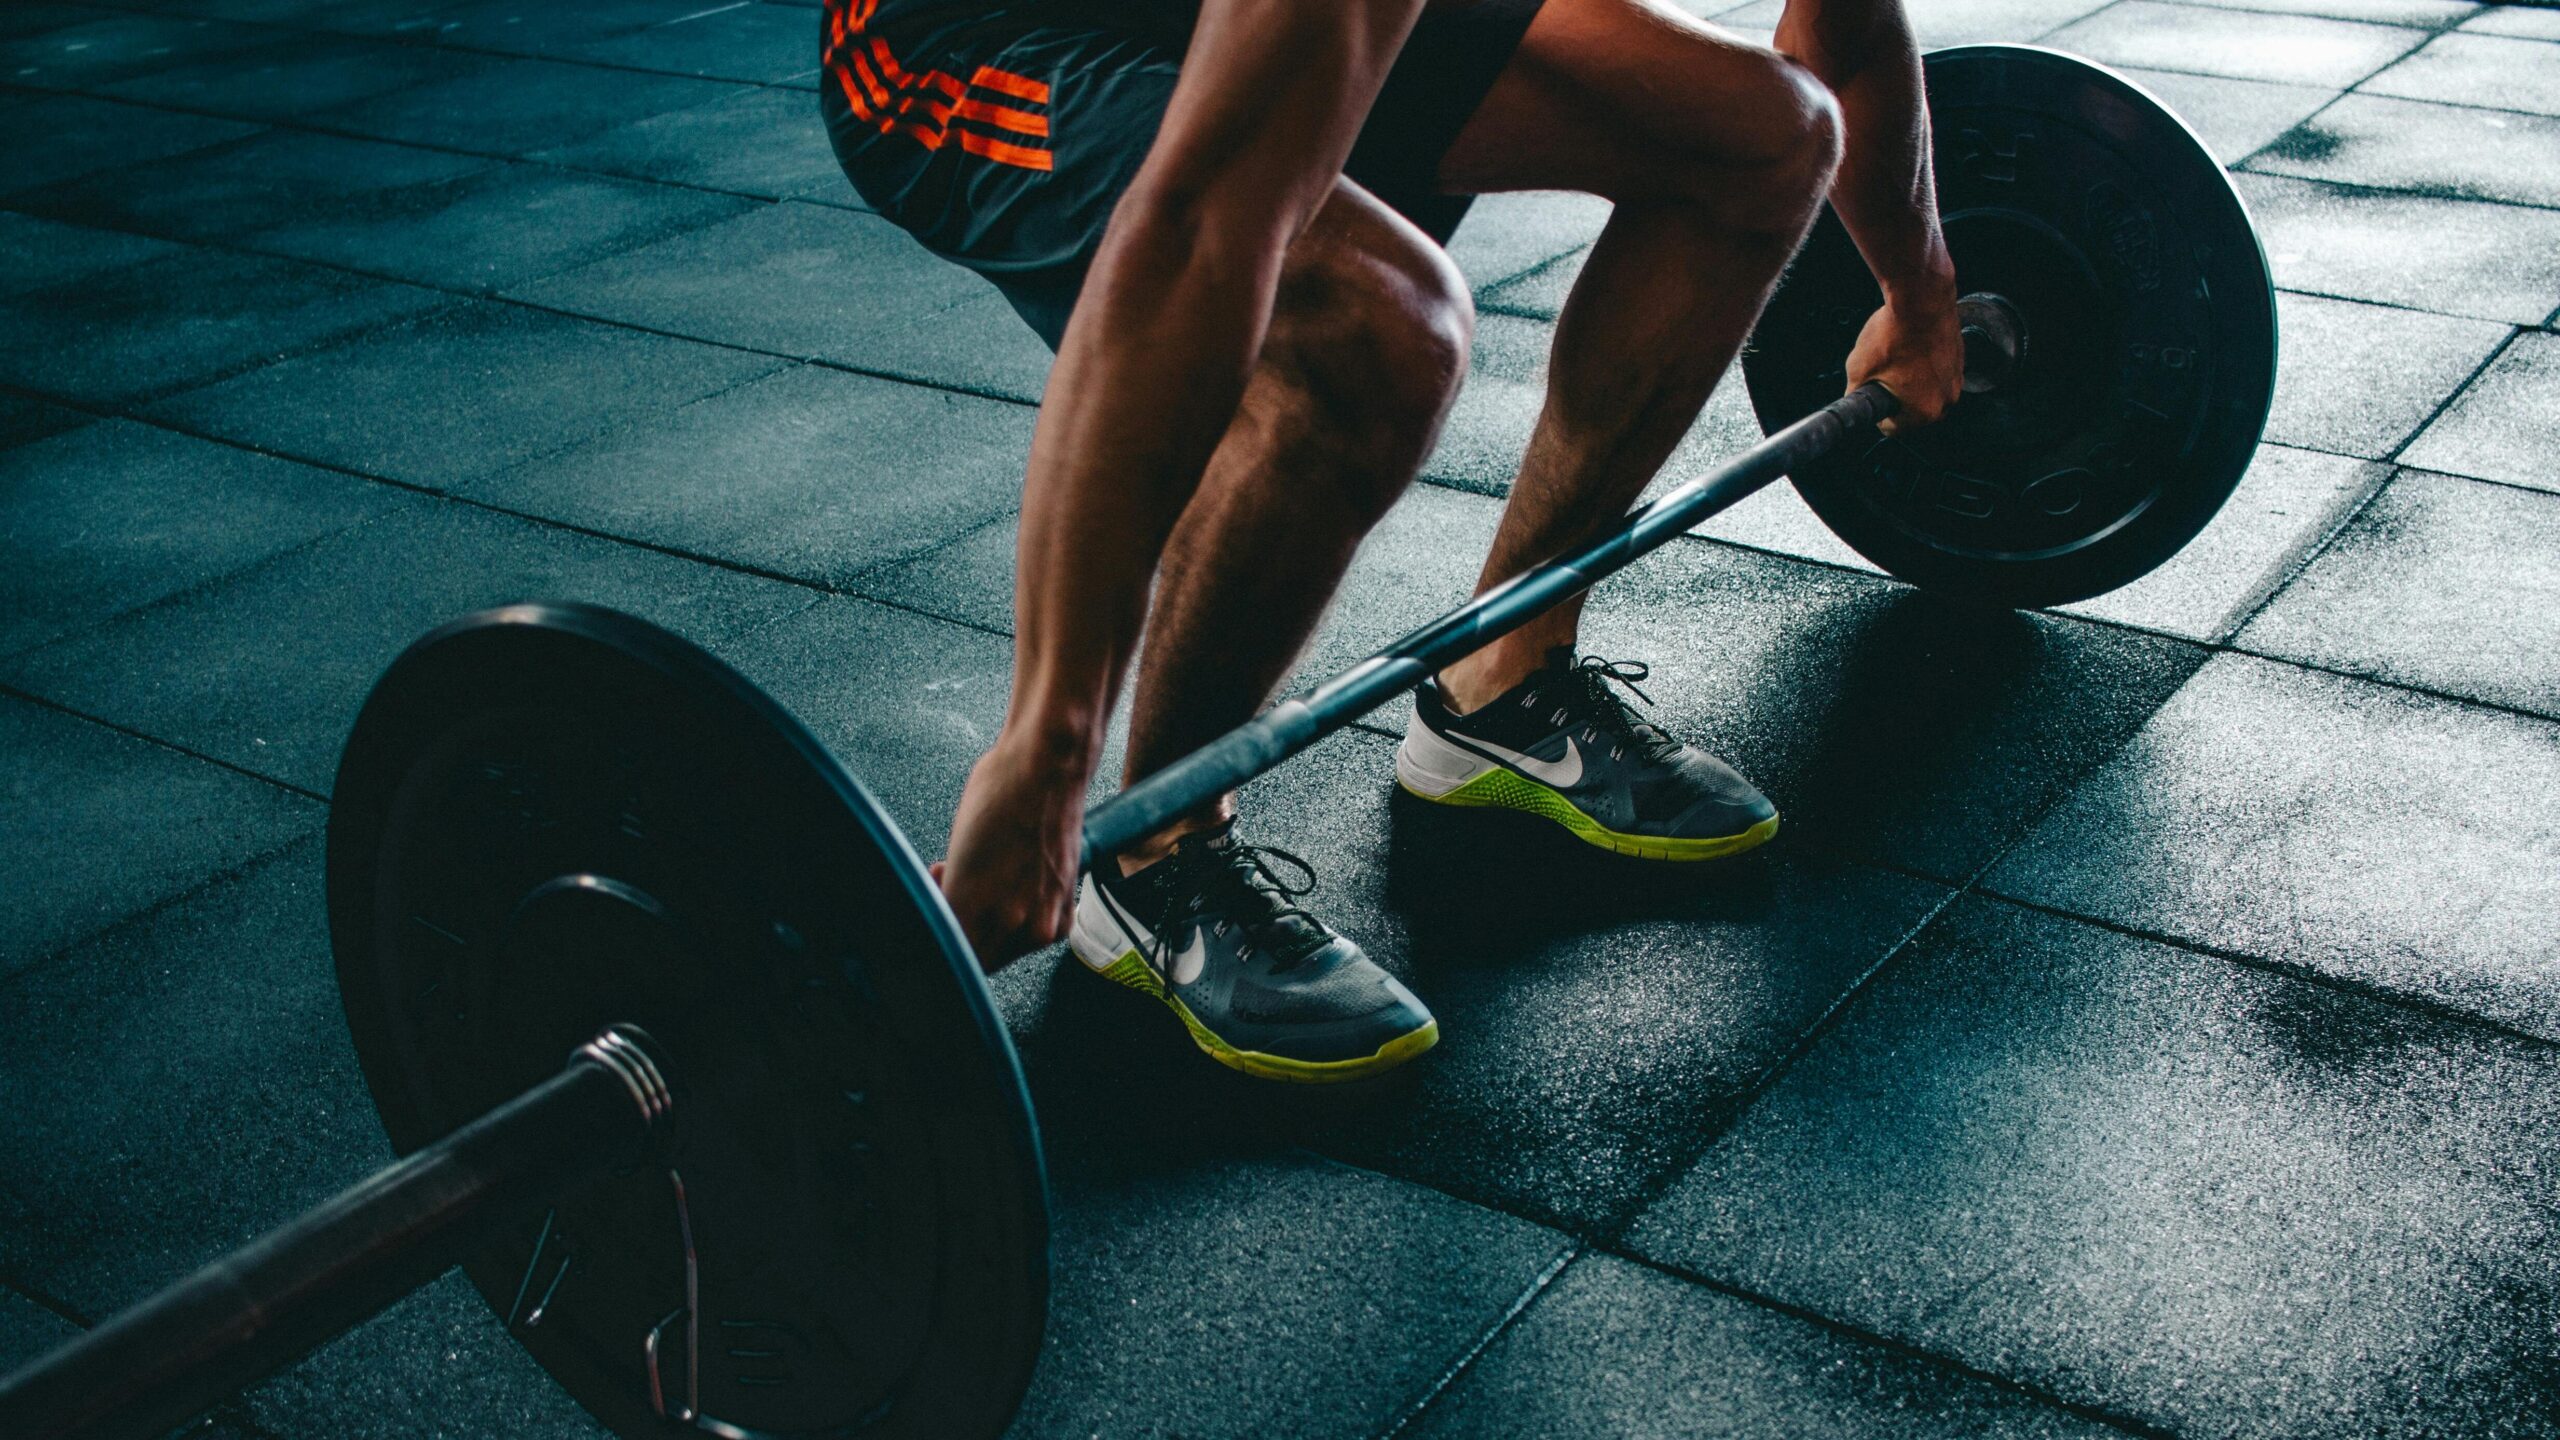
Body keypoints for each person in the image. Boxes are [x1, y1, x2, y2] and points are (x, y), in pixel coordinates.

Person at [820, 0, 1962, 1082]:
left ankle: (1501, 680)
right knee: (1378, 326)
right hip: (972, 36)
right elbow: (1202, 225)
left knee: (1763, 136)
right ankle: (1155, 853)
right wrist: (1046, 747)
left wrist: (1918, 295)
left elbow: (1844, 38)